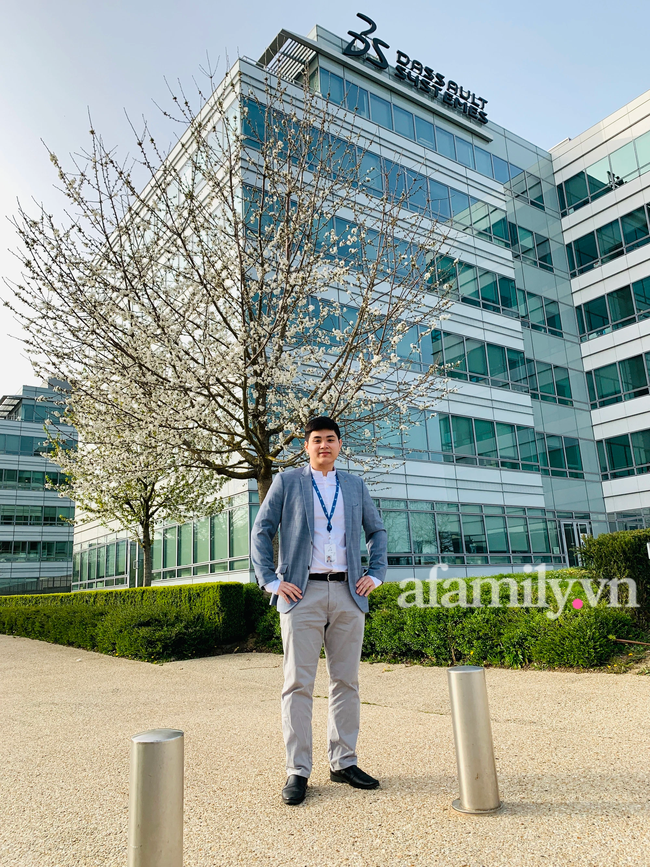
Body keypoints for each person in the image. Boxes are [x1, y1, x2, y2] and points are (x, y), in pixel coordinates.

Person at [250, 416, 388, 806]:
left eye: (330, 439)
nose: (323, 445)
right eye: (316, 440)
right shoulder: (287, 482)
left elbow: (377, 531)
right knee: (298, 684)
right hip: (302, 595)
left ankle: (343, 762)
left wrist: (375, 574)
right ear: (306, 447)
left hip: (348, 593)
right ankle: (298, 770)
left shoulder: (355, 486)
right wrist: (271, 582)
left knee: (346, 682)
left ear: (340, 445)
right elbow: (261, 531)